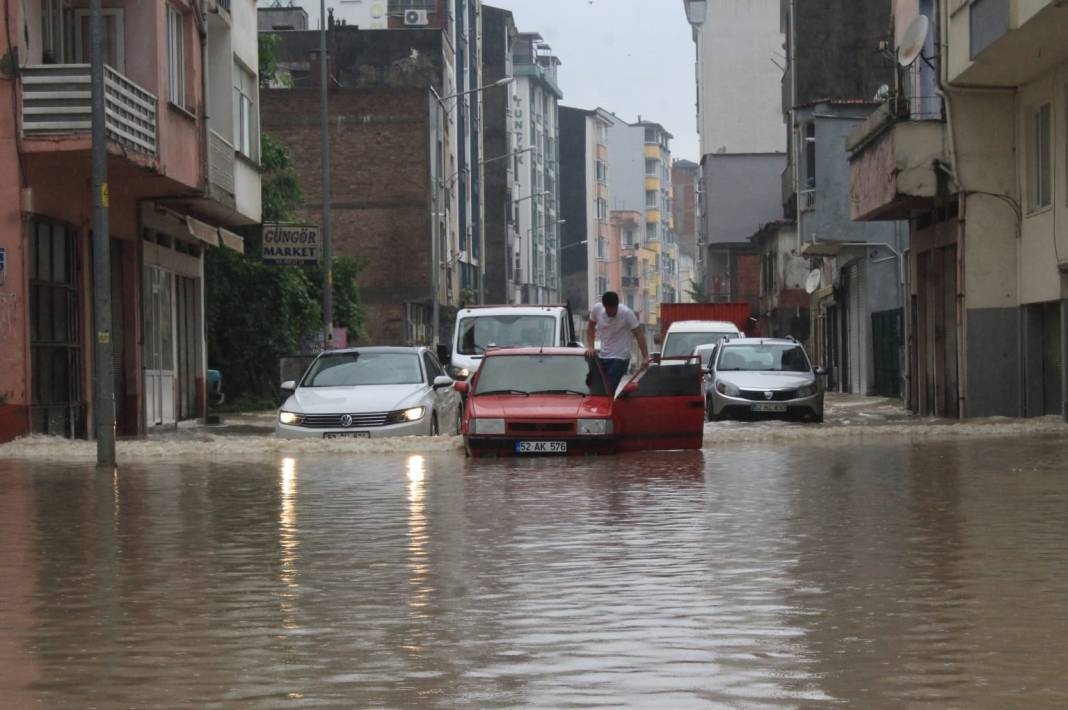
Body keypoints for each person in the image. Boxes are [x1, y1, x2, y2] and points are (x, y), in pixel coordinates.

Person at [586, 291, 649, 394]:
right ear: (604, 306)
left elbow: (639, 334)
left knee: (608, 389)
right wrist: (590, 347)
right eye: (609, 310)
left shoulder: (626, 313)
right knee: (595, 386)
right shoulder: (597, 309)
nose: (612, 312)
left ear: (617, 305)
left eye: (614, 309)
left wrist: (645, 357)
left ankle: (607, 407)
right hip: (603, 356)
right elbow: (590, 327)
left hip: (620, 358)